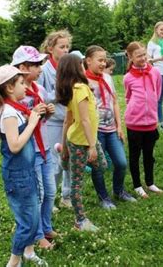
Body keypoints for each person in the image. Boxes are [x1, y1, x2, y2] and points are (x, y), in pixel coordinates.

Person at [0, 65, 47, 267]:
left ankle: (28, 251)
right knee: (28, 221)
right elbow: (14, 146)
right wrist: (31, 123)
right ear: (10, 88)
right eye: (21, 83)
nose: (25, 87)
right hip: (18, 174)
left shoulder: (15, 109)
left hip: (26, 171)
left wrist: (36, 116)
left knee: (30, 214)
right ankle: (13, 261)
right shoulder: (9, 113)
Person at [11, 46, 57, 250]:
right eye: (36, 64)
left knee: (50, 192)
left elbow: (43, 118)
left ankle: (46, 227)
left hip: (45, 146)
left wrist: (48, 112)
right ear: (23, 67)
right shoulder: (16, 93)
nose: (41, 68)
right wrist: (33, 113)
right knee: (37, 195)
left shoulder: (39, 89)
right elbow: (17, 122)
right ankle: (37, 235)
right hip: (31, 151)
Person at [57, 54, 107, 232]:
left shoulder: (76, 88)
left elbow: (67, 121)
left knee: (102, 165)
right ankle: (80, 221)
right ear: (74, 68)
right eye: (80, 63)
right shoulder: (80, 89)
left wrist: (63, 146)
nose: (83, 65)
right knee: (76, 184)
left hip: (84, 139)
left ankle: (71, 162)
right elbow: (84, 120)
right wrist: (91, 146)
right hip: (81, 142)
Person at [85, 45, 137, 203]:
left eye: (104, 60)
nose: (103, 64)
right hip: (96, 131)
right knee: (98, 166)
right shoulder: (83, 81)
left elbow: (114, 102)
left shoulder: (107, 78)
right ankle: (103, 197)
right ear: (88, 61)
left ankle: (119, 191)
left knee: (121, 163)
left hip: (111, 129)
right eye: (99, 60)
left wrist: (119, 126)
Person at [38, 30, 73, 210]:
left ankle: (66, 196)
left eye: (67, 46)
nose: (65, 50)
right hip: (52, 122)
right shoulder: (44, 70)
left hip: (70, 121)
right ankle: (50, 199)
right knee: (54, 162)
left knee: (69, 160)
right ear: (51, 49)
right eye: (62, 47)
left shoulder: (69, 68)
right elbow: (39, 95)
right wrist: (58, 95)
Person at [124, 42, 163, 199]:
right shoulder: (128, 78)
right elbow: (128, 97)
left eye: (144, 55)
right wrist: (137, 110)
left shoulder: (155, 72)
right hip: (134, 124)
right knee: (134, 156)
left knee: (149, 155)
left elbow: (157, 93)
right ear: (130, 57)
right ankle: (137, 185)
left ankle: (150, 182)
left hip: (151, 122)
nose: (142, 58)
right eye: (138, 56)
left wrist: (151, 109)